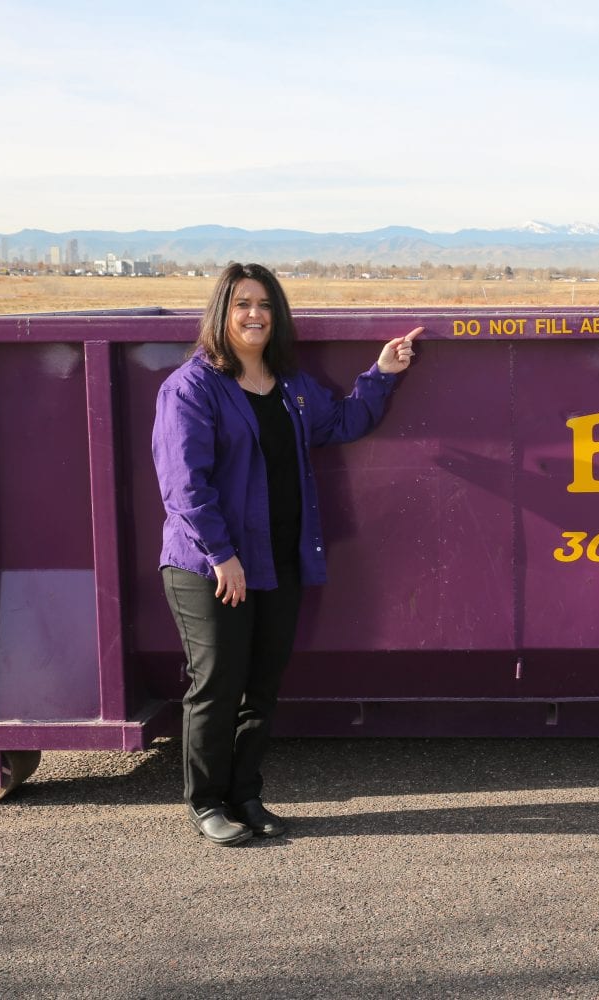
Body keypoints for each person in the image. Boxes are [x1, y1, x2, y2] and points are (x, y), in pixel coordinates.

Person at [152, 262, 421, 846]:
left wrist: (382, 372)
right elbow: (183, 486)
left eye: (265, 304)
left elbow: (343, 420)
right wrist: (222, 556)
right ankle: (206, 804)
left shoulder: (290, 385)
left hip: (280, 559)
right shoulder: (192, 387)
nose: (255, 315)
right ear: (221, 312)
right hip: (211, 566)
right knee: (218, 682)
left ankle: (247, 794)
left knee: (262, 685)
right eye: (242, 303)